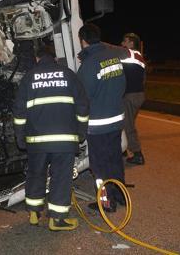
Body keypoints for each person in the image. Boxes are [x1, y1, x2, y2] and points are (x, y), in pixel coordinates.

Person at [13, 43, 89, 231]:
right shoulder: (69, 75)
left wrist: (20, 137)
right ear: (54, 58)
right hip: (64, 142)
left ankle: (33, 213)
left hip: (37, 142)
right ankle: (57, 219)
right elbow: (82, 106)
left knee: (35, 174)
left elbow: (19, 112)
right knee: (60, 178)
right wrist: (81, 131)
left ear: (37, 59)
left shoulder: (29, 78)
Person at [76, 24, 130, 213]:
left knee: (99, 167)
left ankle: (106, 203)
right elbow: (122, 85)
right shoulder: (113, 58)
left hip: (97, 126)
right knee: (115, 159)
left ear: (83, 41)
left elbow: (83, 99)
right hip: (116, 121)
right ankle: (120, 195)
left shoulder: (88, 66)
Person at [120, 33, 146, 165]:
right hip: (138, 94)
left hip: (130, 95)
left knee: (127, 125)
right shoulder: (139, 57)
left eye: (125, 41)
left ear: (131, 43)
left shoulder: (129, 55)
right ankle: (123, 150)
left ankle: (137, 154)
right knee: (125, 123)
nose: (122, 44)